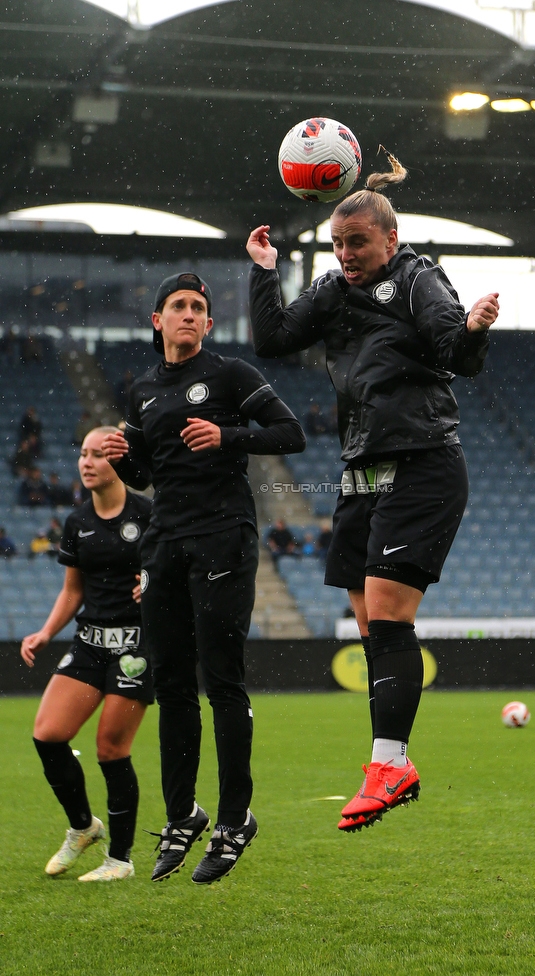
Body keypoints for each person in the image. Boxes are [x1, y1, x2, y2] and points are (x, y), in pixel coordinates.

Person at [246, 150, 499, 832]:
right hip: (363, 469)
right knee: (370, 625)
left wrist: (472, 330)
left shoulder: (419, 278)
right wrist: (264, 273)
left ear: (390, 238)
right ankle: (389, 764)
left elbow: (454, 352)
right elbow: (272, 339)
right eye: (337, 243)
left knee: (386, 612)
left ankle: (390, 764)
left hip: (422, 459)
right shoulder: (331, 288)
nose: (347, 254)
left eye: (358, 242)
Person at [101, 271, 306, 885]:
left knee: (222, 681)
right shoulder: (140, 391)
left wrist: (228, 435)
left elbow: (291, 433)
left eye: (198, 307)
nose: (188, 314)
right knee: (171, 687)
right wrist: (123, 456)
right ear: (157, 321)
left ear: (209, 324)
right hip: (164, 543)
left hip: (223, 535)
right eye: (177, 306)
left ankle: (236, 819)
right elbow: (146, 473)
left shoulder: (231, 375)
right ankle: (182, 814)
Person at [20, 427, 152, 881]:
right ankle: (82, 827)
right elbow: (72, 590)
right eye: (83, 454)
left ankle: (120, 859)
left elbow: (180, 571)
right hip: (90, 643)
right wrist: (44, 632)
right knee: (48, 734)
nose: (87, 462)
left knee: (111, 749)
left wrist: (155, 586)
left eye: (98, 455)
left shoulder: (149, 515)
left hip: (137, 648)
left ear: (118, 461)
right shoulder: (77, 521)